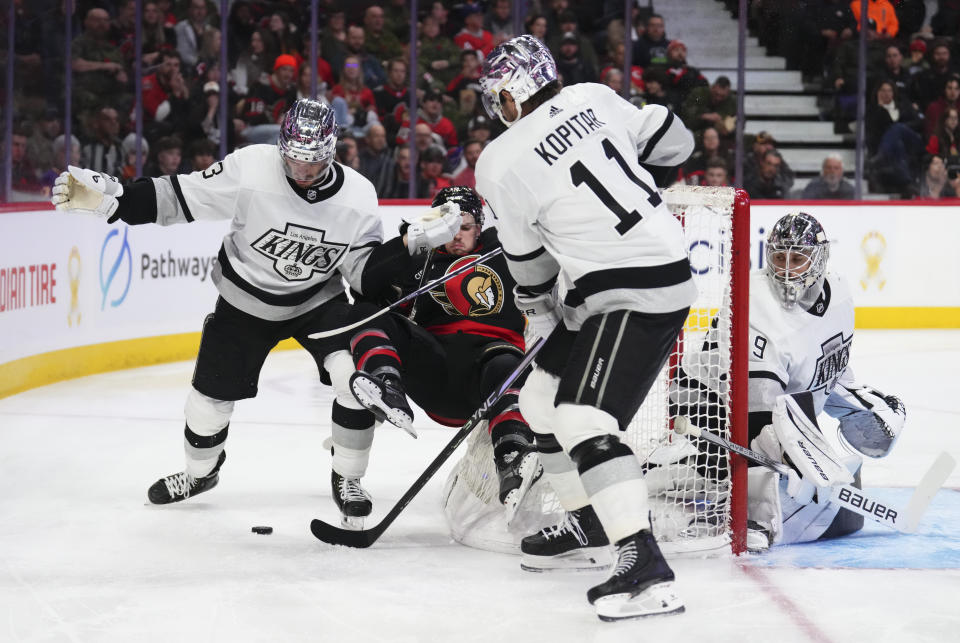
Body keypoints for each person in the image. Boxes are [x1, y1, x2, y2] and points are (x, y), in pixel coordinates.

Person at [50, 99, 461, 511]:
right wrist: (118, 199)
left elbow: (362, 276)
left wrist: (411, 245)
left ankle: (348, 478)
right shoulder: (253, 166)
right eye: (293, 160)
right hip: (244, 301)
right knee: (208, 403)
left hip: (318, 301)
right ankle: (199, 474)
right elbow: (181, 196)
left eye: (312, 162)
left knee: (356, 379)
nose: (301, 171)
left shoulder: (358, 195)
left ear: (331, 152)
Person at [475, 35, 695, 620]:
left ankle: (643, 562)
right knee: (542, 401)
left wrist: (541, 317)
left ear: (509, 95)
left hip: (630, 287)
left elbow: (530, 267)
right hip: (637, 271)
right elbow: (677, 139)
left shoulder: (497, 161)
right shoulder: (592, 96)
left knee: (582, 418)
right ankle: (594, 521)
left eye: (497, 98)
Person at [668, 212, 906, 551]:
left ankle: (731, 480)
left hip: (774, 404)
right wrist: (795, 460)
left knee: (829, 496)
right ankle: (720, 494)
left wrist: (857, 404)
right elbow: (756, 413)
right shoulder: (756, 302)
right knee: (774, 472)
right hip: (707, 403)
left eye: (798, 258)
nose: (787, 269)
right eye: (780, 257)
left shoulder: (838, 292)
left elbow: (824, 368)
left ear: (820, 259)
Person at [335, 186, 542, 526]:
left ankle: (512, 459)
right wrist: (409, 241)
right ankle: (388, 385)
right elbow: (366, 283)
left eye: (464, 226)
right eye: (446, 226)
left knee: (508, 364)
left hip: (488, 373)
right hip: (437, 371)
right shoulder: (418, 261)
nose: (456, 235)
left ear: (480, 226)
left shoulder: (505, 250)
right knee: (367, 311)